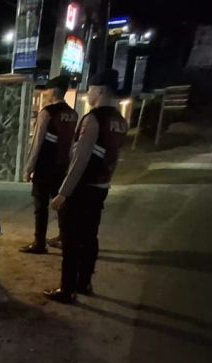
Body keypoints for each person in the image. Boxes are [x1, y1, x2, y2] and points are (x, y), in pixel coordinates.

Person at [44, 69, 128, 304]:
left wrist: (63, 193)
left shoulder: (93, 119)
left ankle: (67, 289)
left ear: (99, 91)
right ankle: (84, 282)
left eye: (89, 90)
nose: (87, 94)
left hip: (82, 189)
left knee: (71, 241)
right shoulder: (120, 121)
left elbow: (79, 160)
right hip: (101, 186)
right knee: (90, 236)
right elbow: (114, 157)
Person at [21, 75, 79, 255]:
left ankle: (39, 242)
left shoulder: (47, 113)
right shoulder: (73, 114)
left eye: (46, 91)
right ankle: (64, 238)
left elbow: (37, 143)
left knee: (41, 205)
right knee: (61, 203)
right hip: (62, 165)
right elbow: (73, 143)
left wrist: (28, 168)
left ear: (53, 91)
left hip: (45, 166)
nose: (45, 94)